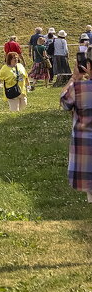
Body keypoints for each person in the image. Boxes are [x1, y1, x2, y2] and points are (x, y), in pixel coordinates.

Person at [60, 61, 92, 202]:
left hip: (86, 147)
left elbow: (65, 102)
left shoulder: (79, 88)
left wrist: (74, 78)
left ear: (89, 67)